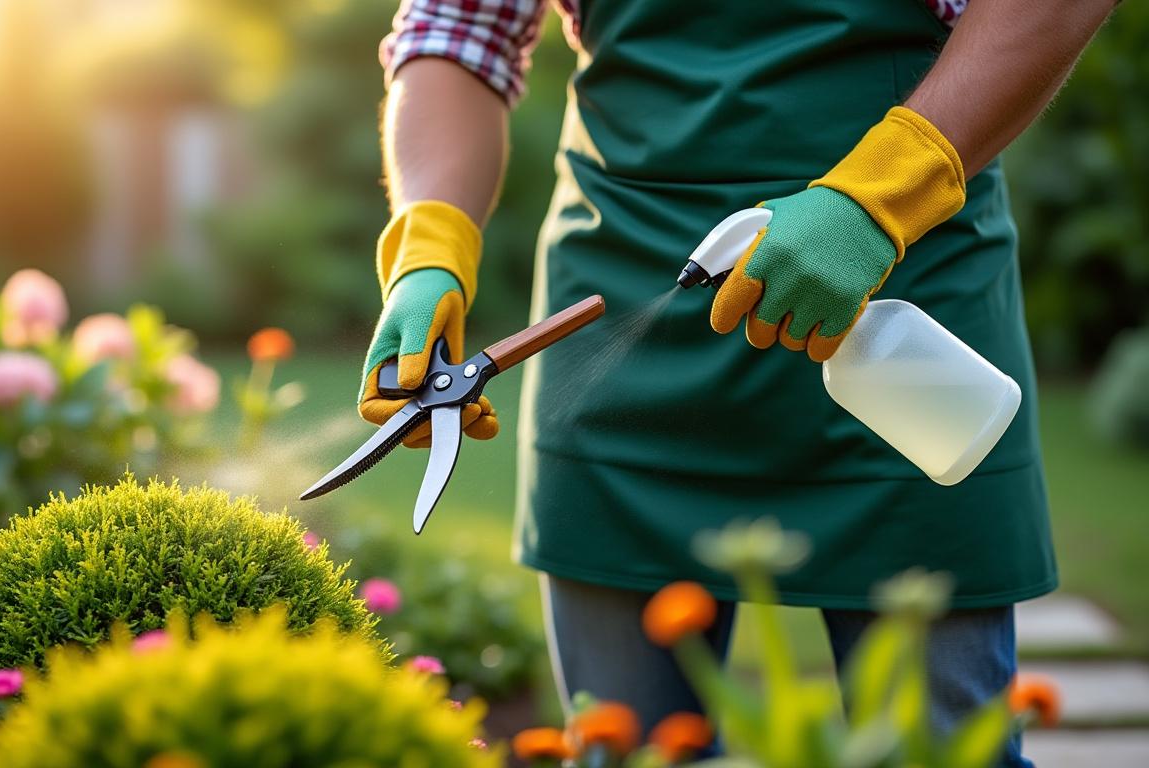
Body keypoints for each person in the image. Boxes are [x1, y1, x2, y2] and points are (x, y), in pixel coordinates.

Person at [360, 1, 1116, 763]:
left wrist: (880, 197)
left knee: (944, 751)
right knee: (629, 750)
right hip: (624, 293)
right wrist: (431, 240)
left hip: (903, 296)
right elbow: (457, 31)